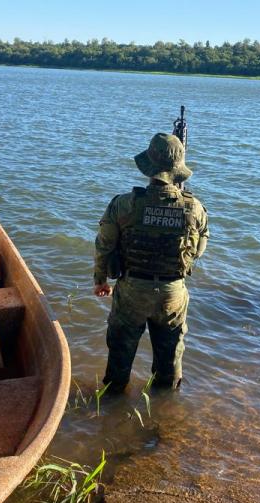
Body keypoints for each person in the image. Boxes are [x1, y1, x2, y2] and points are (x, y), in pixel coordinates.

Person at [94, 132, 209, 392]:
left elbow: (104, 246)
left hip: (132, 289)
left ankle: (112, 405)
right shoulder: (194, 208)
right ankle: (164, 416)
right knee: (169, 365)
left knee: (119, 358)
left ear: (148, 166)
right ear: (178, 171)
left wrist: (100, 280)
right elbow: (198, 249)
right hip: (173, 294)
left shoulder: (123, 204)